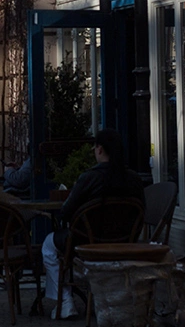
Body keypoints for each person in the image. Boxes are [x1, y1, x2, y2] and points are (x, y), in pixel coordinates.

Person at [42, 129, 144, 320]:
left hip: (86, 243)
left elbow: (65, 212)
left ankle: (65, 301)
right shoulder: (134, 178)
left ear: (99, 150)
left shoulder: (89, 178)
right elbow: (141, 212)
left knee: (48, 245)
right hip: (124, 242)